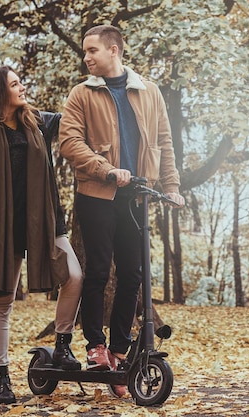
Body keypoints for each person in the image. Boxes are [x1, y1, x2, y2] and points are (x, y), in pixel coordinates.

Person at [59, 25, 184, 398]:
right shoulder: (81, 94)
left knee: (134, 273)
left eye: (92, 50)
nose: (87, 57)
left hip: (137, 197)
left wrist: (172, 187)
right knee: (98, 270)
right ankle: (95, 346)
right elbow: (69, 142)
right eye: (85, 51)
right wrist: (105, 168)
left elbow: (165, 140)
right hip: (97, 194)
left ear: (114, 50)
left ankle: (119, 350)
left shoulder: (149, 92)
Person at [0, 66, 84, 404]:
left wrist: (94, 87)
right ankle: (1, 377)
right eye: (15, 83)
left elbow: (74, 117)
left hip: (45, 222)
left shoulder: (39, 122)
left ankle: (62, 345)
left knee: (74, 276)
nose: (22, 86)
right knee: (2, 303)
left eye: (20, 82)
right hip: (4, 228)